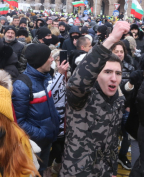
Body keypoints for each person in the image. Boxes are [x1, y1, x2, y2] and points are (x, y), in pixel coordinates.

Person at [60, 21, 130, 177]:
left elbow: (112, 141)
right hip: (77, 172)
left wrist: (112, 169)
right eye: (107, 72)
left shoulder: (118, 99)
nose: (114, 78)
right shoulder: (82, 97)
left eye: (118, 74)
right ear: (96, 74)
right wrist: (110, 40)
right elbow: (77, 84)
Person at [12, 44, 60, 176]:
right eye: (49, 57)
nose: (52, 59)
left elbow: (50, 105)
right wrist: (42, 134)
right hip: (33, 143)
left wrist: (56, 120)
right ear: (40, 61)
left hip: (45, 140)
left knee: (42, 168)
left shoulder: (45, 77)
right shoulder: (22, 86)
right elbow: (18, 121)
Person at [110, 41, 134, 170]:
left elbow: (133, 89)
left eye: (121, 51)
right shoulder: (105, 67)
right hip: (110, 108)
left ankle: (122, 155)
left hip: (125, 108)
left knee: (127, 135)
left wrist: (128, 105)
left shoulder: (130, 68)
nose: (119, 54)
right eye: (116, 51)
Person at [48, 49, 69, 174]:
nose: (60, 62)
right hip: (55, 119)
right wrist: (60, 73)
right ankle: (48, 167)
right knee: (55, 148)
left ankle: (57, 165)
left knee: (62, 149)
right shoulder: (49, 75)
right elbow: (51, 92)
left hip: (66, 120)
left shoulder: (69, 75)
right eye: (57, 60)